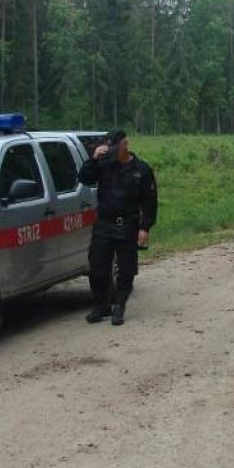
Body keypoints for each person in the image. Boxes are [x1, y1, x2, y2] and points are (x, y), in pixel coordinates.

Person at [78, 129, 158, 326]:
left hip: (127, 226)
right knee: (97, 268)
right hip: (104, 224)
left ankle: (119, 305)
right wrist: (93, 159)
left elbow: (149, 201)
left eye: (117, 146)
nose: (113, 150)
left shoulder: (141, 169)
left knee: (126, 270)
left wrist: (145, 228)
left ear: (126, 144)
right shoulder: (104, 165)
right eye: (110, 147)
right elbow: (85, 178)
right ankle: (101, 305)